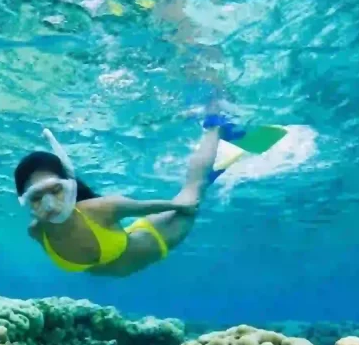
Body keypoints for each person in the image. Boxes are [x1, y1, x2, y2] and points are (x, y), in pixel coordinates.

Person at [14, 115, 244, 276]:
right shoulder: (36, 231)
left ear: (70, 186)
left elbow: (148, 206)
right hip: (129, 240)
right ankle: (212, 171)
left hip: (158, 239)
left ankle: (216, 125)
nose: (50, 204)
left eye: (56, 190)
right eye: (36, 197)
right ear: (25, 201)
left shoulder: (101, 208)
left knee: (194, 188)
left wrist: (185, 205)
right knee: (199, 186)